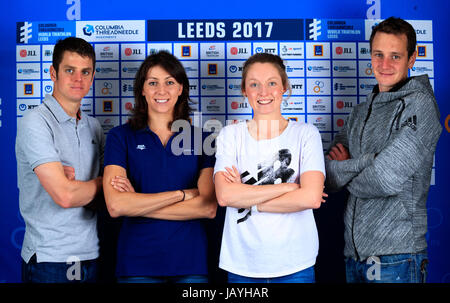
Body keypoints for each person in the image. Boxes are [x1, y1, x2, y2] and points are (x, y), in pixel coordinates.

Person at [325, 17, 442, 283]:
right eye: (378, 55)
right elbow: (328, 175)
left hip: (397, 258)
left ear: (412, 59)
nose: (385, 65)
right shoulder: (360, 111)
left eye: (395, 56)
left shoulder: (420, 106)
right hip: (354, 257)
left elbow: (383, 178)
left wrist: (351, 166)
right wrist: (369, 161)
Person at [103, 51, 217, 283]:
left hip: (190, 263)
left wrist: (137, 204)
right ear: (142, 89)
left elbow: (208, 208)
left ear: (180, 88)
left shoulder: (203, 139)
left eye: (169, 82)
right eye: (153, 83)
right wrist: (183, 194)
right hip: (136, 263)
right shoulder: (120, 137)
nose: (161, 90)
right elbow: (116, 205)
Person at [214, 53, 326, 283]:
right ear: (245, 90)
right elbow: (225, 196)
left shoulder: (306, 133)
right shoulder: (230, 135)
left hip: (296, 263)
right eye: (254, 84)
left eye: (272, 83)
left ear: (284, 87)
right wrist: (290, 188)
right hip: (242, 264)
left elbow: (312, 199)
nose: (263, 92)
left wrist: (246, 198)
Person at [16, 37, 104, 283]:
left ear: (93, 76)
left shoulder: (94, 127)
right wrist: (100, 183)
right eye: (70, 70)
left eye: (85, 72)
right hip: (50, 259)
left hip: (92, 254)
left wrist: (81, 186)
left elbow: (112, 197)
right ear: (53, 73)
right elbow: (65, 196)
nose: (78, 79)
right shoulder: (35, 122)